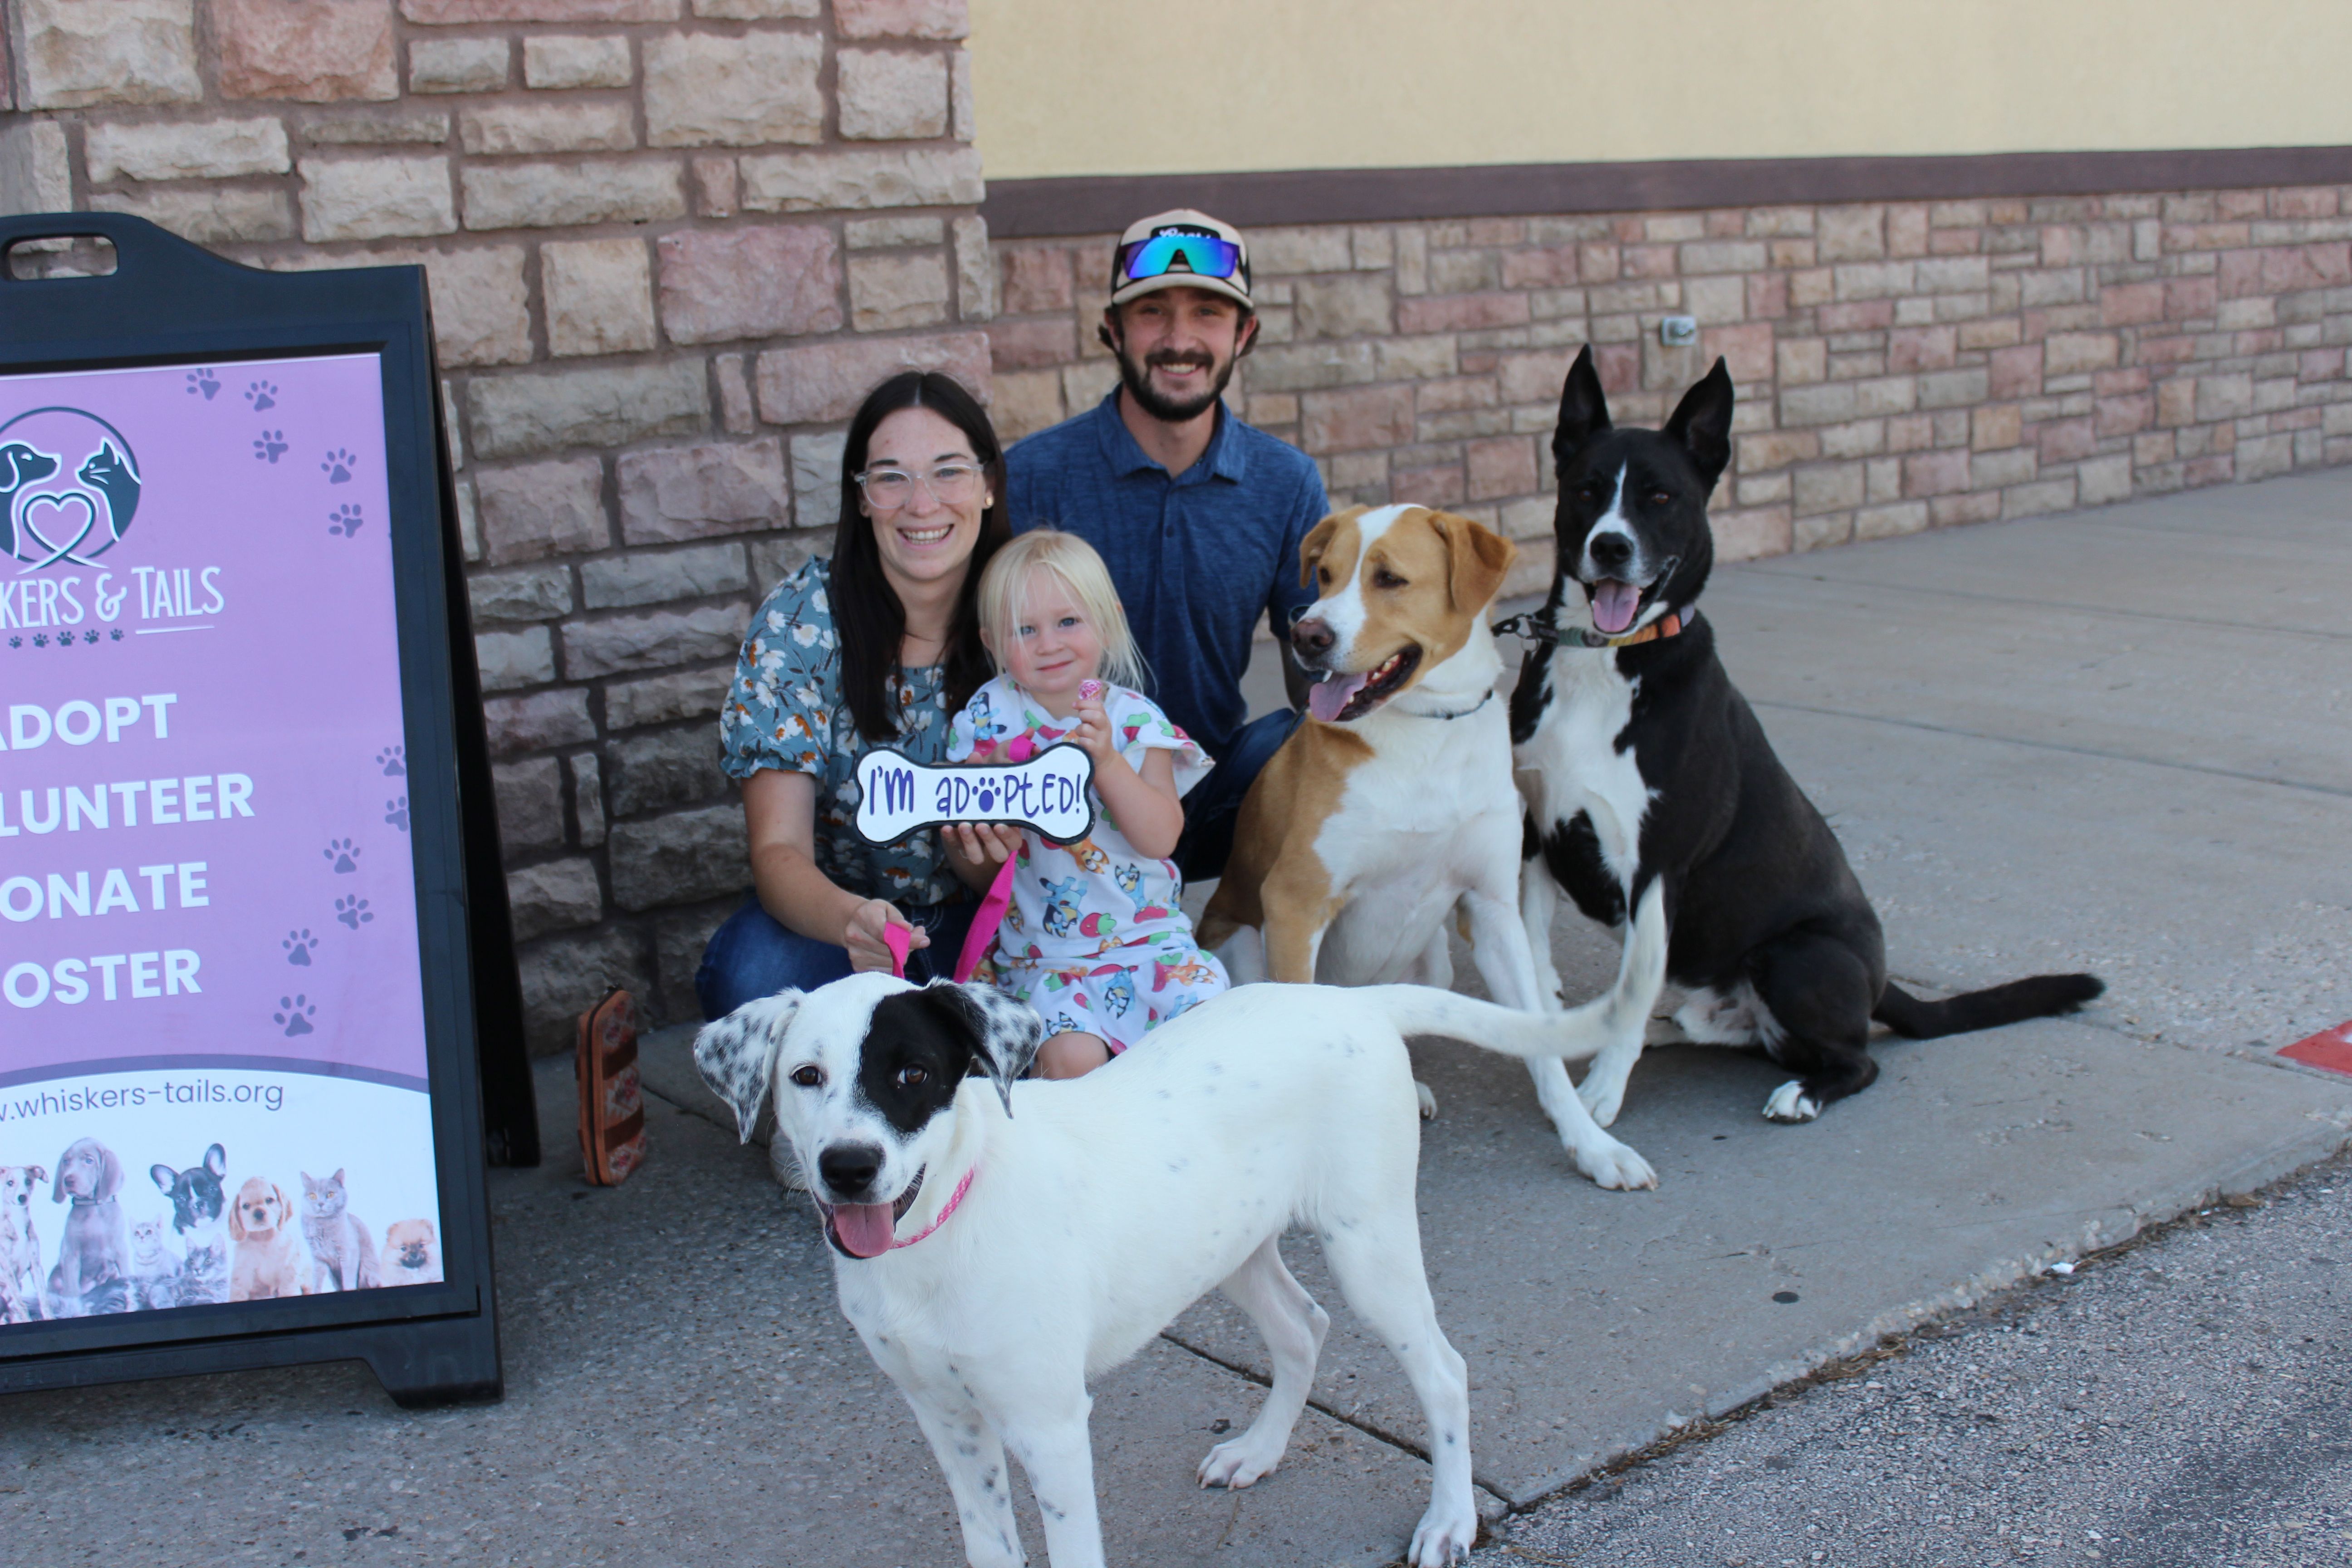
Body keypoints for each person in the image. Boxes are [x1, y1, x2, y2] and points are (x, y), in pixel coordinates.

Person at [1003, 209, 1329, 883]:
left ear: (1246, 334)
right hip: (1062, 803)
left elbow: (1316, 663)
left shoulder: (1286, 482)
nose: (1180, 340)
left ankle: (1272, 941)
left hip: (1205, 792)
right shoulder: (1033, 475)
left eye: (1208, 313)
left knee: (1314, 741)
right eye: (1152, 312)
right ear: (1113, 331)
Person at [696, 371, 1014, 1019]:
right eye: (891, 477)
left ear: (988, 486)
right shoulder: (801, 622)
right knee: (753, 973)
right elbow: (777, 851)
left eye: (949, 471)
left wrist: (982, 865)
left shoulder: (1032, 610)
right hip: (844, 928)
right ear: (863, 498)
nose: (921, 504)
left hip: (1001, 923)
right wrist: (856, 922)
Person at [941, 529, 1228, 1079]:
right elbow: (967, 826)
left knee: (1209, 1038)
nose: (1048, 643)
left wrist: (1109, 762)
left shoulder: (1135, 720)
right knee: (1073, 1061)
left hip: (1148, 943)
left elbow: (1161, 837)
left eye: (1068, 622)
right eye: (1025, 630)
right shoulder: (988, 719)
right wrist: (988, 783)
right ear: (992, 642)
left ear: (1107, 620)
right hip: (1048, 955)